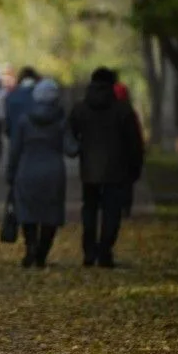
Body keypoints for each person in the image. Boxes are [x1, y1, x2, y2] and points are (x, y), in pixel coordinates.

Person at [69, 67, 143, 268]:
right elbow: (135, 143)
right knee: (112, 212)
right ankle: (105, 251)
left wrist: (78, 149)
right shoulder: (123, 110)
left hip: (90, 169)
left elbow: (70, 135)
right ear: (113, 85)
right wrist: (135, 169)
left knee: (90, 209)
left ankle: (89, 250)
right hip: (117, 170)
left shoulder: (80, 109)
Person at [6, 79, 73, 268]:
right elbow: (70, 149)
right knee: (50, 213)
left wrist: (10, 174)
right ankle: (42, 253)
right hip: (54, 171)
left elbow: (15, 150)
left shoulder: (24, 120)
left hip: (27, 169)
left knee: (28, 211)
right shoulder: (61, 121)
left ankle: (30, 248)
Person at [113, 80, 145, 217]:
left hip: (113, 157)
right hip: (126, 156)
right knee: (126, 185)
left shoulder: (109, 112)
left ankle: (115, 208)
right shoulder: (130, 113)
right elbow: (136, 138)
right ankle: (125, 209)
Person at [5, 66, 40, 144]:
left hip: (16, 138)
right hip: (37, 139)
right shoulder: (41, 96)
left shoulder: (12, 96)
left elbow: (8, 121)